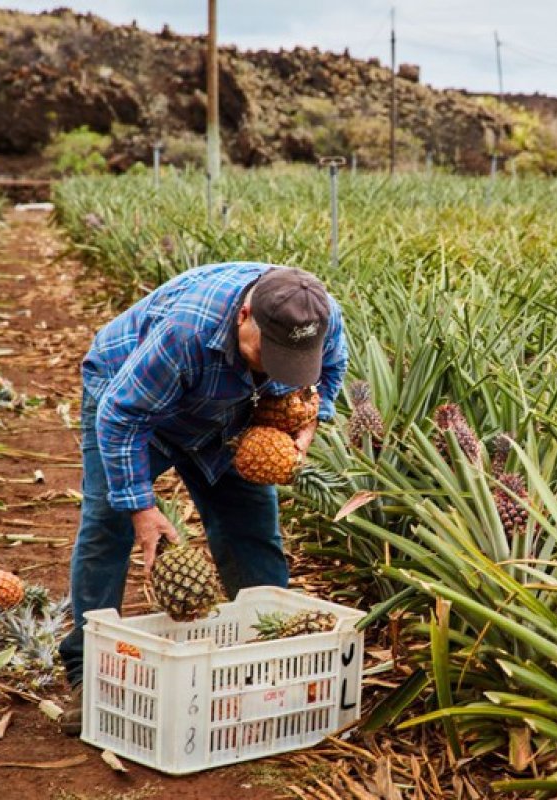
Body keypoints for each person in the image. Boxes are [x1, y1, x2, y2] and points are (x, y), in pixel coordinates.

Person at [57, 262, 348, 735]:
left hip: (230, 414)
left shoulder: (316, 315)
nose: (278, 369)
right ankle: (88, 674)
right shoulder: (187, 332)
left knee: (252, 529)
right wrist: (142, 508)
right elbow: (121, 418)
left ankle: (268, 659)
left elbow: (328, 376)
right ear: (245, 315)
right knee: (107, 524)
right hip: (135, 406)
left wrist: (306, 419)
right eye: (268, 353)